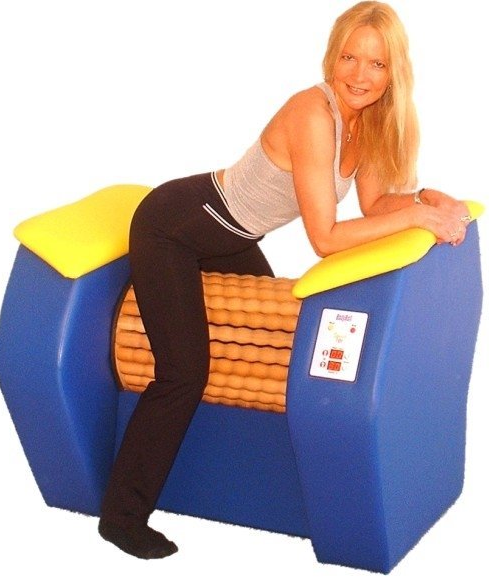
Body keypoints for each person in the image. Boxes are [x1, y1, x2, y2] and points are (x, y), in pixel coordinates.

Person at [97, 0, 472, 559]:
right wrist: (418, 217)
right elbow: (325, 237)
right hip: (173, 227)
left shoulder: (369, 123)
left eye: (376, 64)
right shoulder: (313, 114)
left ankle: (246, 481)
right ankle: (121, 517)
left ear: (394, 72)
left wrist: (423, 199)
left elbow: (374, 205)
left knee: (274, 345)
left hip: (231, 237)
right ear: (332, 56)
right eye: (349, 57)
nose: (359, 75)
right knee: (184, 372)